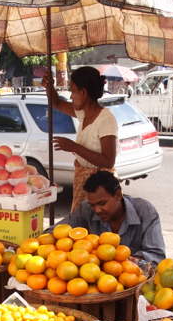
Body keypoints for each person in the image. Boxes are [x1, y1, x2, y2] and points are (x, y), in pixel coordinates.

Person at [41, 66, 117, 212]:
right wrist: (49, 86)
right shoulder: (82, 113)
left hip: (100, 187)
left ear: (83, 93)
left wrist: (74, 147)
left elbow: (108, 160)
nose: (70, 96)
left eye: (72, 91)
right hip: (83, 182)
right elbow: (56, 103)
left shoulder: (106, 120)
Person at [52, 170, 165, 265]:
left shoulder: (145, 210)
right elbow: (53, 232)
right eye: (93, 205)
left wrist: (122, 263)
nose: (97, 210)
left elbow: (156, 256)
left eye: (102, 203)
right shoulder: (85, 209)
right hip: (94, 278)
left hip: (134, 279)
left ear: (118, 195)